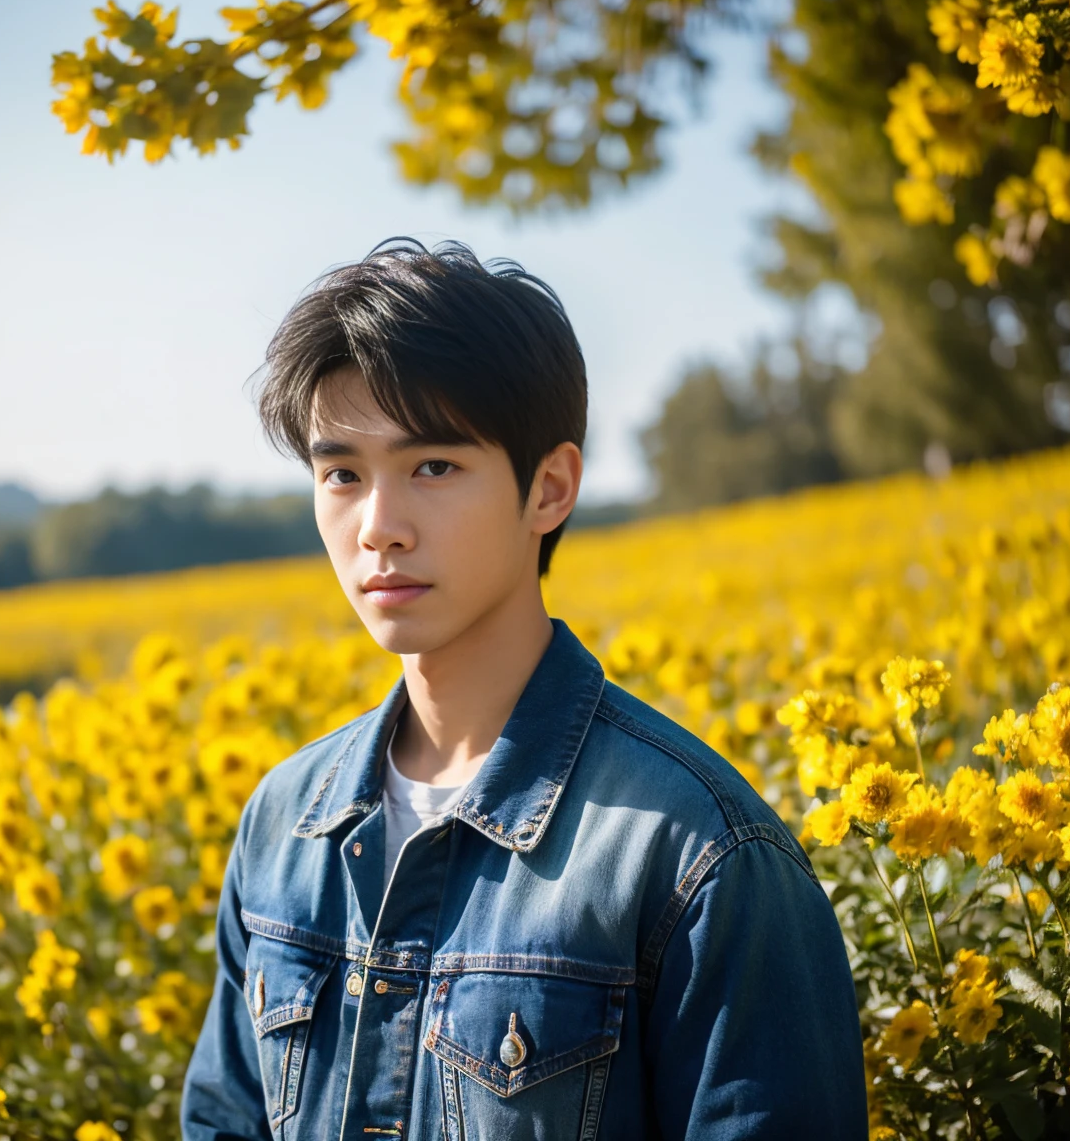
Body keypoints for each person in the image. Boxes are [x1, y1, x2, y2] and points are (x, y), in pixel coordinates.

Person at [180, 237, 868, 1141]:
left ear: (550, 489)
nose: (378, 528)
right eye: (342, 473)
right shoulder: (281, 824)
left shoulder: (701, 856)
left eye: (433, 466)